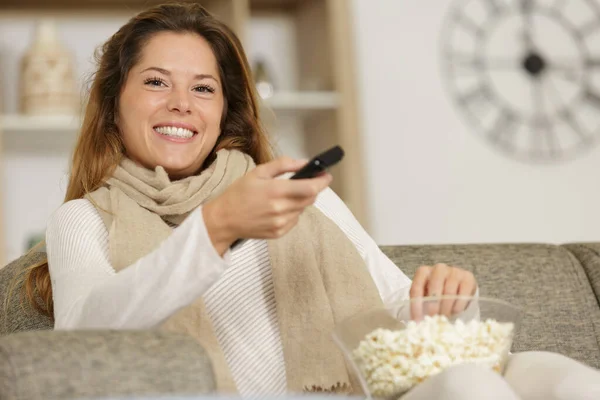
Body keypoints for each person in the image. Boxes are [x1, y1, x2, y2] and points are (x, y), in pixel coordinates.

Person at [20, 3, 599, 399]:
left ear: (224, 112)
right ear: (114, 104)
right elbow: (84, 334)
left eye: (203, 88)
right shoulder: (84, 221)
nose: (181, 103)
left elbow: (396, 309)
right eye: (154, 82)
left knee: (562, 382)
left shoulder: (289, 193)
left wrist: (443, 301)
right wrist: (215, 229)